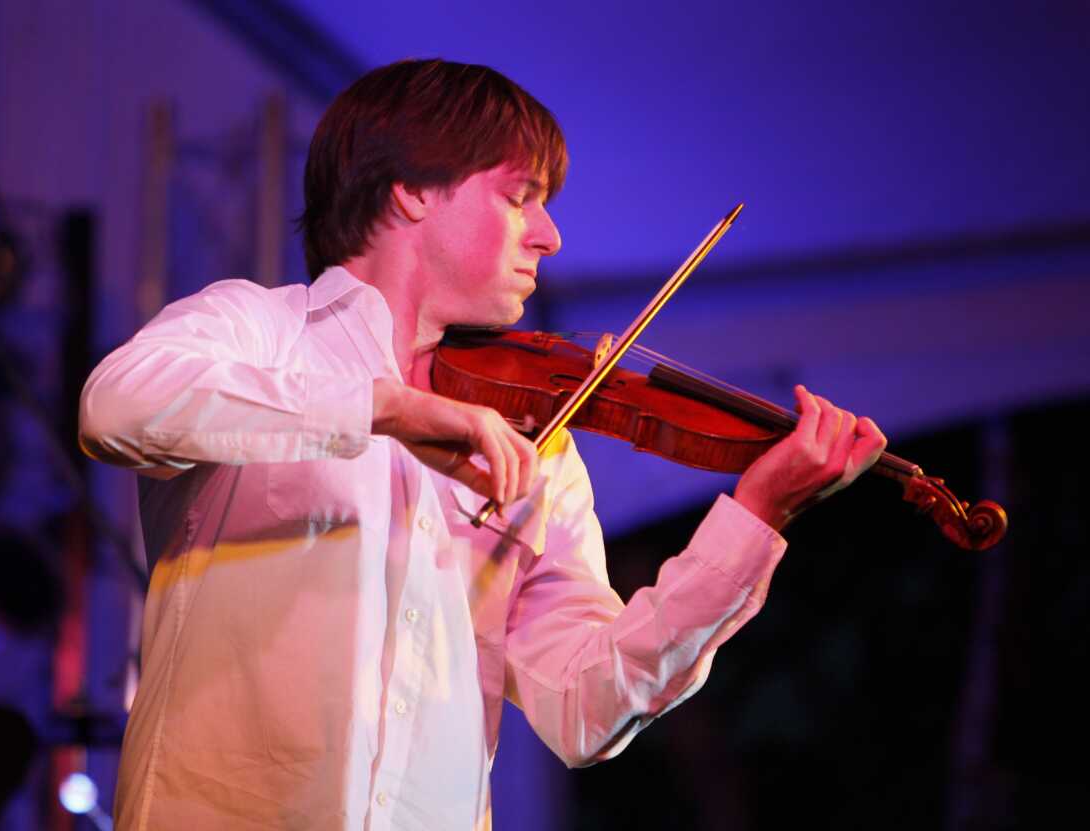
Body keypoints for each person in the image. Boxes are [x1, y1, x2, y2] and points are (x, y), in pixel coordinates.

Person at [79, 59, 887, 830]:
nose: (550, 236)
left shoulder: (543, 439)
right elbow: (115, 405)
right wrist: (388, 409)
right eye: (519, 197)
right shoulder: (254, 329)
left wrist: (756, 515)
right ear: (411, 192)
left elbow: (587, 706)